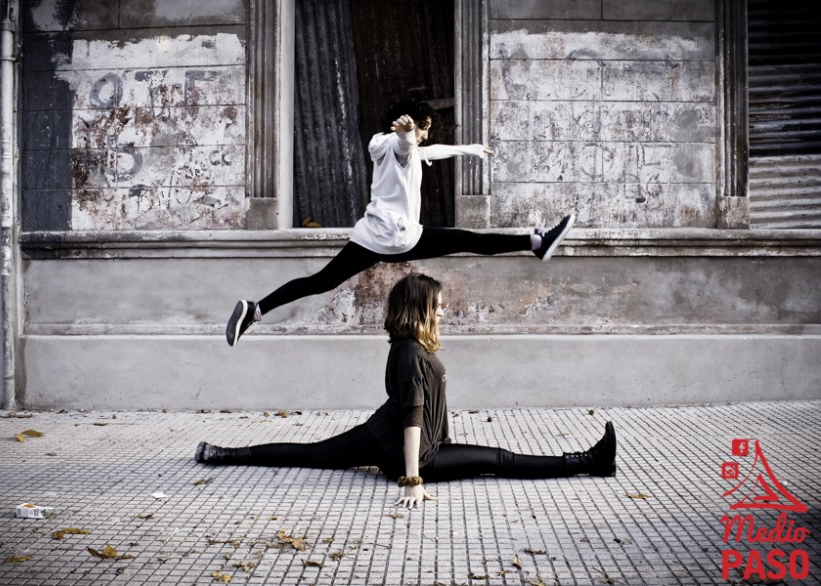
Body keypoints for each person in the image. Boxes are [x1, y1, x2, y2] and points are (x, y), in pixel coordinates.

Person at [199, 273, 616, 509]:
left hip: (380, 437)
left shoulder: (406, 347)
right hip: (411, 453)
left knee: (313, 454)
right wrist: (413, 478)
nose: (441, 311)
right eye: (435, 306)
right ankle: (587, 462)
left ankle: (224, 454)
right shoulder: (412, 353)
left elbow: (421, 406)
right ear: (419, 310)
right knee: (501, 459)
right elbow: (415, 415)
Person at [227, 100, 575, 347]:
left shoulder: (388, 147)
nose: (425, 134)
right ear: (414, 123)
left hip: (371, 236)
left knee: (321, 281)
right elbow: (407, 146)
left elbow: (427, 150)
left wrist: (467, 149)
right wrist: (408, 134)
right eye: (425, 127)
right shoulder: (395, 145)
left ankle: (255, 310)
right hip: (401, 237)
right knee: (470, 239)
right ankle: (537, 243)